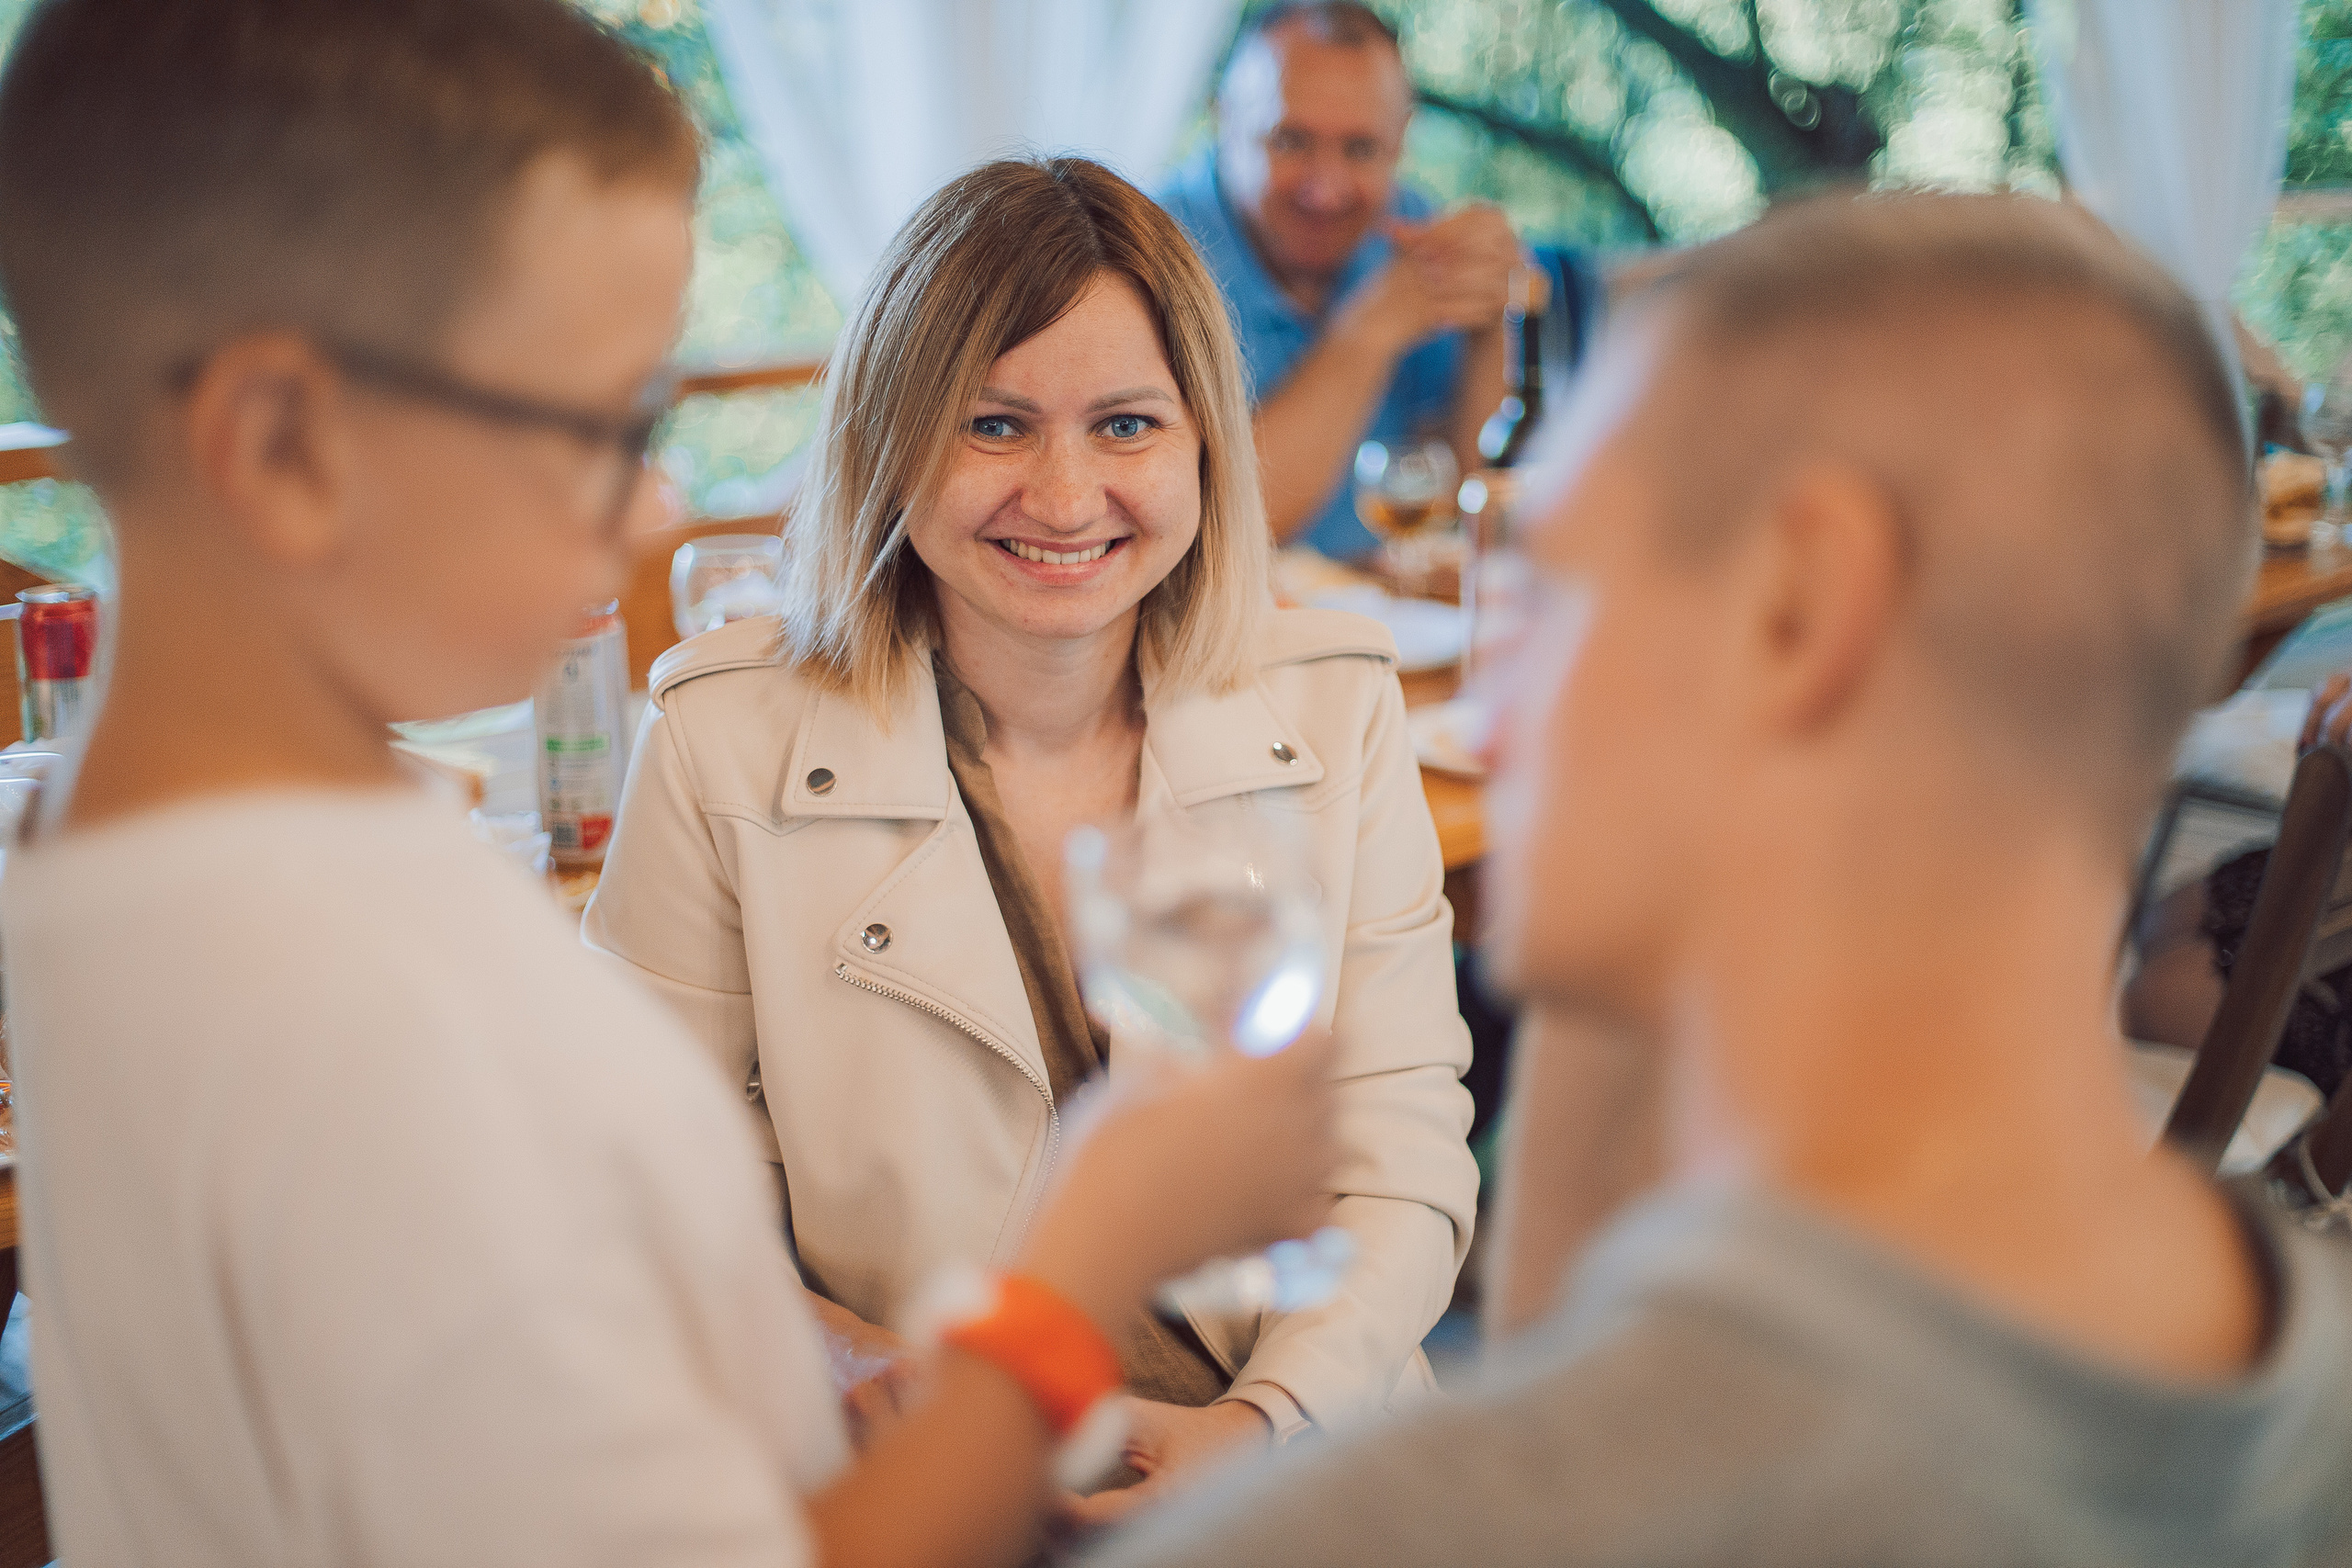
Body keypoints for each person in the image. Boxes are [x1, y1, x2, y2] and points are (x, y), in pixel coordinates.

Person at [0, 4, 1341, 1565]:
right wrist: (1084, 1259)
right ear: (284, 445)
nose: (654, 498)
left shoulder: (121, 839)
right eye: (602, 421)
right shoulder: (367, 1033)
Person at [1086, 191, 2352, 1566]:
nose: (1496, 717)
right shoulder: (2305, 1381)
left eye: (1554, 586)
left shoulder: (1366, 1530)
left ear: (1800, 608)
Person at [585, 155, 1479, 1522]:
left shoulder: (1337, 707)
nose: (1065, 499)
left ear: (1202, 445)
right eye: (995, 426)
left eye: (1126, 425)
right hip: (911, 1484)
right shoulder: (720, 743)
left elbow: (1406, 1156)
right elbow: (645, 1204)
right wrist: (855, 1364)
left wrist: (1263, 1421)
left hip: (1301, 1474)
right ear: (891, 435)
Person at [1156, 1, 1522, 558]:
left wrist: (1495, 319)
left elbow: (1484, 509)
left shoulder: (1408, 232)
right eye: (1291, 141)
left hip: (1375, 621)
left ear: (1401, 142)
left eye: (1361, 149)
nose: (1326, 191)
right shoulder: (1141, 256)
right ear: (1222, 119)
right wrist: (1370, 330)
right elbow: (1210, 533)